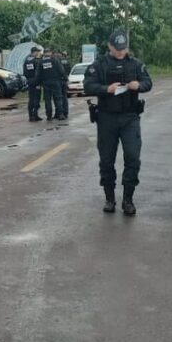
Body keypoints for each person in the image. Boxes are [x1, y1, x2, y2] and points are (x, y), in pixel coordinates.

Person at [83, 29, 153, 216]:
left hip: (130, 117)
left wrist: (139, 85)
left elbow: (148, 82)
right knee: (106, 160)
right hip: (107, 118)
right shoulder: (99, 65)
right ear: (109, 46)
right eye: (117, 48)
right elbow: (88, 86)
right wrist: (107, 89)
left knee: (132, 158)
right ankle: (109, 198)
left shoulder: (136, 64)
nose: (121, 52)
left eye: (123, 48)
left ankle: (128, 199)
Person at [39, 48, 66, 121]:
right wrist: (65, 78)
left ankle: (49, 116)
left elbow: (38, 74)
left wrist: (39, 83)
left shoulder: (41, 62)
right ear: (50, 53)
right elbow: (61, 70)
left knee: (48, 100)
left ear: (44, 53)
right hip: (55, 82)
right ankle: (60, 114)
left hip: (46, 83)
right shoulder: (54, 60)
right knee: (58, 98)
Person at [23, 46, 43, 122]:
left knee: (31, 99)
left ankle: (30, 116)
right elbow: (38, 73)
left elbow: (25, 72)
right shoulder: (36, 60)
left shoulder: (26, 60)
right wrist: (38, 83)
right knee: (36, 99)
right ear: (34, 52)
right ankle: (35, 115)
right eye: (37, 51)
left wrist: (29, 79)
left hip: (30, 81)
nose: (38, 53)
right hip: (36, 82)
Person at [57, 51, 71, 119]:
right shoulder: (67, 61)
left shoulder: (57, 61)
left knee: (59, 97)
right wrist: (67, 78)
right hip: (65, 80)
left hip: (59, 81)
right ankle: (66, 113)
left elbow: (59, 71)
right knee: (65, 97)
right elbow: (69, 70)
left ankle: (60, 113)